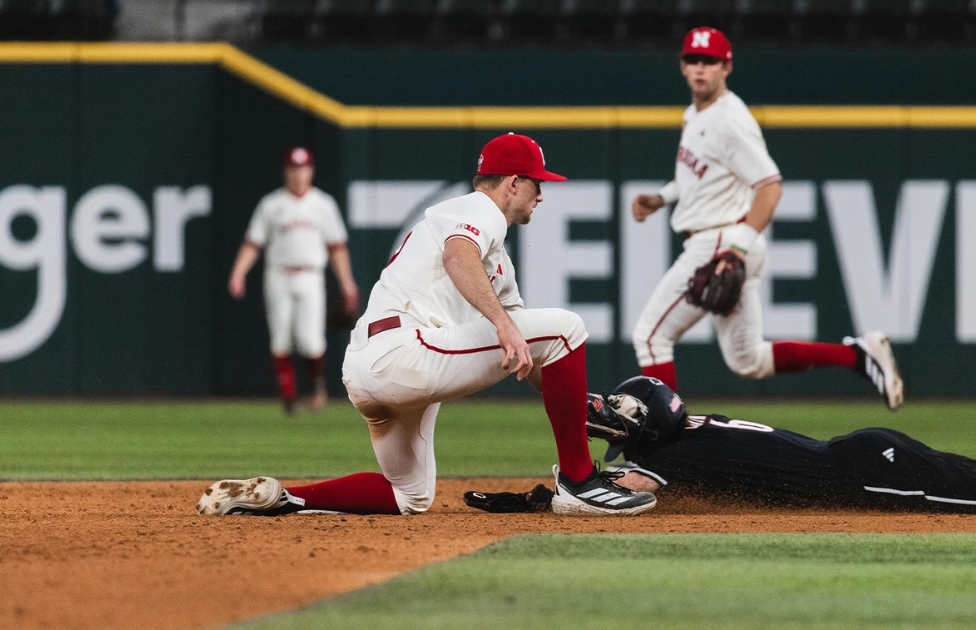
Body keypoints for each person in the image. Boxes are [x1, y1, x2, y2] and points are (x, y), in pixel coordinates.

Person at [198, 133, 658, 517]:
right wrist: (501, 323)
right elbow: (459, 256)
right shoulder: (480, 209)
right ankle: (580, 483)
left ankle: (285, 497)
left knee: (410, 495)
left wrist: (585, 406)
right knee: (567, 327)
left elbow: (534, 354)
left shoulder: (494, 256)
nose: (543, 194)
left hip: (368, 369)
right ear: (513, 183)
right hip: (407, 350)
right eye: (537, 183)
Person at [467, 348, 976, 516]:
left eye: (620, 416)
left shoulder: (670, 459)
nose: (613, 425)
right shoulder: (684, 436)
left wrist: (537, 498)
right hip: (864, 454)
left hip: (865, 470)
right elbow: (625, 462)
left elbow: (610, 494)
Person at [630, 26, 902, 410]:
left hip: (723, 242)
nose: (700, 69)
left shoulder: (729, 120)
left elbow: (770, 186)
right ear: (682, 65)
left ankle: (661, 445)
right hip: (725, 240)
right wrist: (661, 198)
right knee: (748, 360)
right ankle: (858, 355)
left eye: (710, 61)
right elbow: (698, 176)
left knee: (651, 336)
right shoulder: (696, 113)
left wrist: (735, 251)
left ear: (727, 66)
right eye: (693, 60)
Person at [228, 147, 360, 414]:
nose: (298, 174)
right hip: (278, 275)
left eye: (303, 168)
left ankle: (316, 389)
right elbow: (253, 243)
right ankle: (288, 399)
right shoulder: (271, 204)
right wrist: (238, 272)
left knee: (310, 340)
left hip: (311, 276)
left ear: (311, 171)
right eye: (293, 168)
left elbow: (337, 247)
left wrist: (346, 281)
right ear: (285, 171)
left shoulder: (323, 204)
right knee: (280, 340)